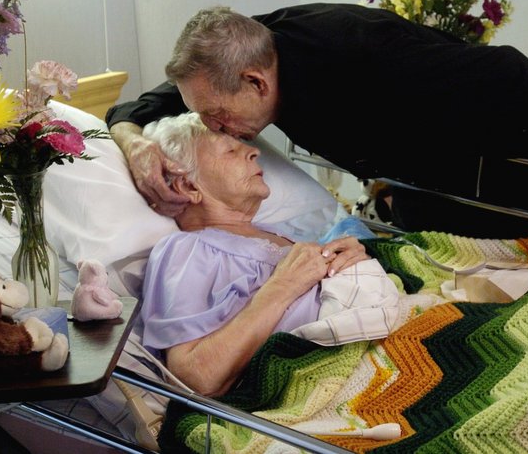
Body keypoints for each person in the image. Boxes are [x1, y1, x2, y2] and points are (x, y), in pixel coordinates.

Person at [107, 3, 528, 239]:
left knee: (526, 292)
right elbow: (140, 107)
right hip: (413, 170)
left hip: (491, 168)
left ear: (256, 82)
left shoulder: (366, 56)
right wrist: (133, 143)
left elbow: (510, 73)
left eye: (217, 116)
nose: (216, 127)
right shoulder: (240, 49)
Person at [138, 113, 399, 396]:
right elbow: (194, 377)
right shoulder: (187, 250)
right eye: (231, 150)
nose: (254, 151)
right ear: (188, 186)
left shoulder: (275, 232)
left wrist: (352, 258)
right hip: (345, 372)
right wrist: (283, 286)